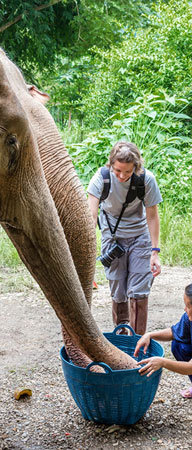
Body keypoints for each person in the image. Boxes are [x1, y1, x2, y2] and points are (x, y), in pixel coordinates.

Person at [87, 141, 162, 335]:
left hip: (140, 237)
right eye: (118, 170)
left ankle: (137, 344)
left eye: (127, 172)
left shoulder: (146, 180)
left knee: (138, 292)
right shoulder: (101, 179)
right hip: (113, 240)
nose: (122, 176)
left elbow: (152, 216)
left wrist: (155, 252)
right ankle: (121, 338)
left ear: (136, 168)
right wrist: (88, 253)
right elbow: (90, 216)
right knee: (118, 290)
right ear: (110, 164)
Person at [135, 284, 192, 398]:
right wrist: (149, 335)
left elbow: (190, 368)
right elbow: (174, 332)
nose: (184, 309)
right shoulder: (188, 318)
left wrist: (163, 362)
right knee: (178, 344)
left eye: (187, 306)